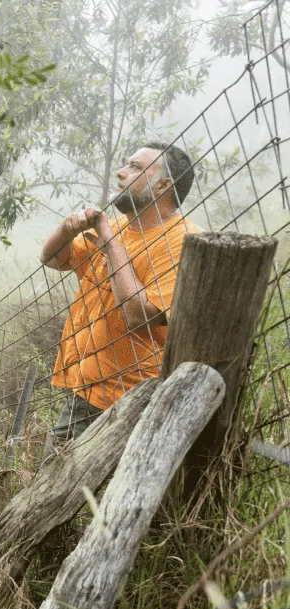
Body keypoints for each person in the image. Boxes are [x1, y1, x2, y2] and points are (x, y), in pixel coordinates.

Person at [40, 142, 199, 456]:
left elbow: (139, 315)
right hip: (85, 389)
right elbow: (54, 260)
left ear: (163, 185)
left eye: (136, 167)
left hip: (127, 399)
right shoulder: (115, 228)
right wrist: (67, 228)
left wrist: (109, 242)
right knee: (53, 492)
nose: (122, 172)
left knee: (83, 498)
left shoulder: (183, 242)